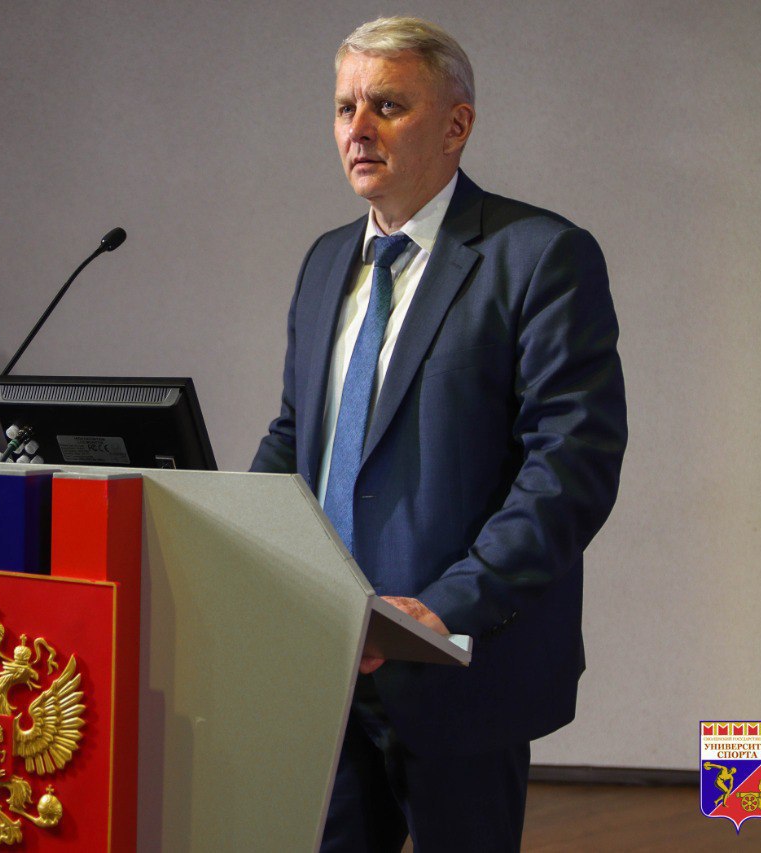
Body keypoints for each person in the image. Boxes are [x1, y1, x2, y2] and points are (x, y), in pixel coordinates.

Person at [250, 16, 627, 852]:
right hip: (329, 662)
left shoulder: (540, 256)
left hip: (458, 660)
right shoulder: (325, 262)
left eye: (387, 105)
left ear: (456, 125)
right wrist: (239, 541)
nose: (358, 128)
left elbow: (571, 465)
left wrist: (446, 606)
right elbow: (295, 436)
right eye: (344, 107)